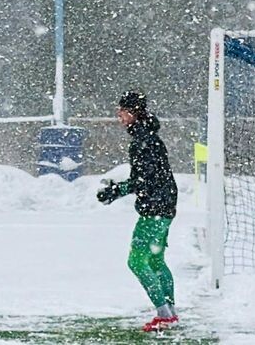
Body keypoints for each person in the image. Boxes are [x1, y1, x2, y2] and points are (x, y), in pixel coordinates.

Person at [97, 90, 179, 332]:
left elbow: (143, 180)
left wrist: (116, 191)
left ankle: (164, 314)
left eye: (122, 111)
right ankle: (170, 312)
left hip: (155, 209)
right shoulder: (149, 137)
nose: (118, 115)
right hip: (165, 206)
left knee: (136, 261)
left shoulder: (143, 141)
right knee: (155, 259)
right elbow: (148, 178)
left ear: (132, 113)